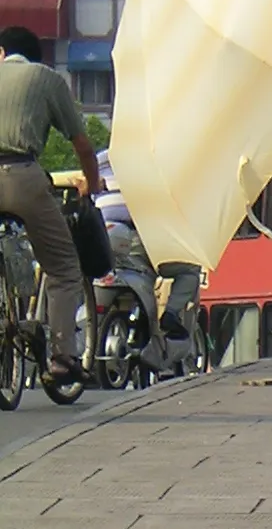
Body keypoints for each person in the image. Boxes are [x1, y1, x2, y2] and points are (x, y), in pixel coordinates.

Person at [0, 26, 101, 384]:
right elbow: (84, 146)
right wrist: (92, 181)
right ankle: (62, 358)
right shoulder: (45, 79)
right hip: (21, 175)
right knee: (63, 268)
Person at [96, 156, 201, 373]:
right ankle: (171, 314)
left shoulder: (100, 159)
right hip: (139, 232)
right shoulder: (154, 156)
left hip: (104, 232)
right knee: (190, 270)